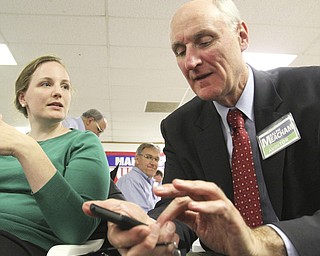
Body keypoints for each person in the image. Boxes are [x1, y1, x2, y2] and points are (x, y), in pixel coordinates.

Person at [83, 0, 320, 255]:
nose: (190, 61)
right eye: (179, 51)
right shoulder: (179, 127)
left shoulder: (311, 91)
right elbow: (178, 208)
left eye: (205, 41)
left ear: (241, 36)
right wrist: (153, 229)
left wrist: (264, 242)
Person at [0, 55, 110, 256]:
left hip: (23, 241)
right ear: (22, 97)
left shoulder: (82, 143)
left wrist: (26, 149)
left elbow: (76, 229)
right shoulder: (4, 144)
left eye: (65, 87)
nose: (58, 92)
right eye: (46, 84)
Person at [116, 143, 161, 212]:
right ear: (137, 158)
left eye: (156, 159)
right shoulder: (130, 181)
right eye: (148, 157)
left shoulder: (148, 182)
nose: (153, 163)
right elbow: (138, 217)